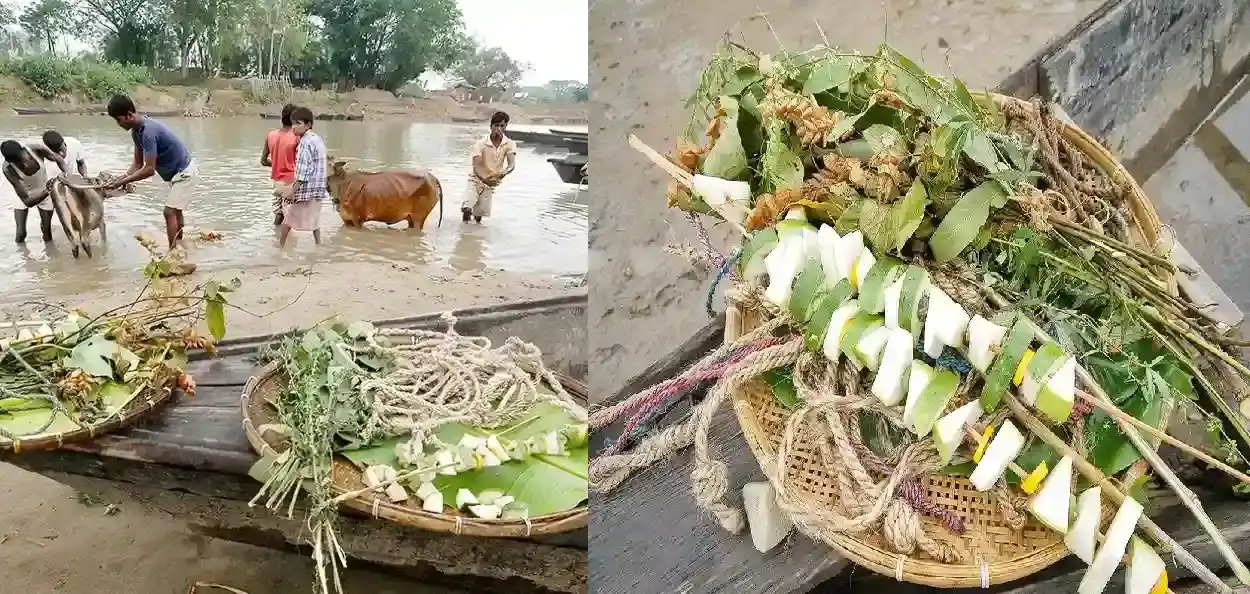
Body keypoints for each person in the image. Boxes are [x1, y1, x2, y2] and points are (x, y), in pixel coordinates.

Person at [101, 94, 199, 250]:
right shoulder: (136, 132)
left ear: (129, 115)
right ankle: (180, 243)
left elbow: (148, 170)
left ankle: (173, 253)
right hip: (177, 174)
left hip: (185, 172)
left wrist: (122, 182)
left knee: (169, 212)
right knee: (176, 210)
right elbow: (137, 165)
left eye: (119, 120)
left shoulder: (148, 132)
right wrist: (119, 178)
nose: (118, 124)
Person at [2, 139, 72, 244]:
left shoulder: (36, 149)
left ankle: (50, 256)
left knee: (46, 231)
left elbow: (59, 159)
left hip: (44, 190)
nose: (23, 164)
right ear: (10, 161)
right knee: (21, 233)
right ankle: (21, 257)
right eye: (18, 162)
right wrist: (49, 189)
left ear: (23, 149)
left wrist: (65, 174)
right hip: (24, 194)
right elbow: (27, 202)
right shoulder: (8, 169)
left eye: (22, 158)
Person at [280, 106, 326, 248]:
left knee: (287, 220)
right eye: (293, 123)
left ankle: (280, 247)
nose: (294, 127)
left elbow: (303, 173)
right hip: (318, 189)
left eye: (298, 123)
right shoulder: (317, 139)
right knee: (315, 219)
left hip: (306, 189)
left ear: (308, 125)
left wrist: (292, 192)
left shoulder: (305, 143)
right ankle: (319, 245)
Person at [462, 111, 517, 224]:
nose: (498, 129)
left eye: (502, 126)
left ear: (506, 126)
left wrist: (504, 173)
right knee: (467, 208)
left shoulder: (509, 144)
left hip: (490, 183)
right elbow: (476, 166)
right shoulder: (481, 143)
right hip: (475, 180)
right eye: (496, 125)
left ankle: (474, 236)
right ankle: (464, 231)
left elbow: (511, 165)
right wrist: (483, 179)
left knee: (479, 216)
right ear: (491, 126)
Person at [261, 103, 299, 225]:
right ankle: (285, 243)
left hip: (277, 183)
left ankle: (275, 238)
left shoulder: (270, 135)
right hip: (290, 182)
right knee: (290, 218)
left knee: (279, 214)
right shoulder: (297, 137)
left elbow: (263, 161)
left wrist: (277, 163)